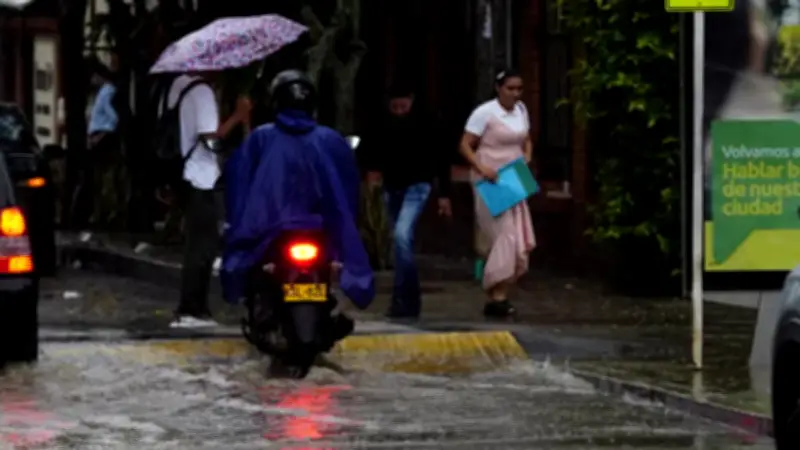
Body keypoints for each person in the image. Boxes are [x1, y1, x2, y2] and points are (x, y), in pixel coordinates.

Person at [221, 69, 373, 323]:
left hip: (271, 227)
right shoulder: (330, 139)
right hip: (320, 226)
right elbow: (348, 189)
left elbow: (239, 183)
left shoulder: (261, 138)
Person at [164, 72, 252, 328]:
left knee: (196, 244)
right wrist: (238, 116)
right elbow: (210, 136)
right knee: (203, 247)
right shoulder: (202, 92)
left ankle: (191, 307)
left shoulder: (178, 85)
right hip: (201, 175)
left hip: (186, 172)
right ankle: (192, 309)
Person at [359, 84, 453, 320]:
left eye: (403, 106)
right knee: (400, 242)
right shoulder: (380, 121)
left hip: (418, 184)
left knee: (402, 235)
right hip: (392, 185)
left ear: (411, 100)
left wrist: (444, 194)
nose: (400, 111)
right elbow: (368, 150)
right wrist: (370, 172)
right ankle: (406, 298)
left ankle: (404, 298)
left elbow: (442, 156)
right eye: (395, 107)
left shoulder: (427, 120)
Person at [459, 69, 536, 318]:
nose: (515, 93)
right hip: (491, 176)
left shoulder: (521, 110)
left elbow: (526, 138)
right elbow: (465, 145)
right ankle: (497, 290)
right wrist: (481, 167)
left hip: (515, 175)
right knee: (505, 234)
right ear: (498, 88)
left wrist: (527, 156)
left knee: (518, 233)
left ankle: (498, 296)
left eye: (519, 89)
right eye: (510, 88)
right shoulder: (485, 112)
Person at [85, 60, 121, 226]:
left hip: (103, 138)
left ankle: (107, 212)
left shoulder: (107, 92)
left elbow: (113, 118)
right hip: (97, 136)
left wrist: (102, 135)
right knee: (97, 176)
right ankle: (101, 212)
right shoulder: (101, 92)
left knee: (103, 175)